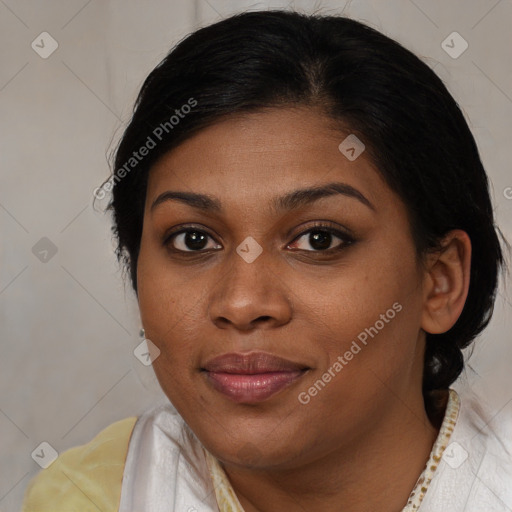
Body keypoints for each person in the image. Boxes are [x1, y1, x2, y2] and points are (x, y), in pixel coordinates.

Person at [22, 9, 510, 512]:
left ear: (440, 281)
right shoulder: (92, 497)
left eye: (319, 239)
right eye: (193, 240)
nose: (241, 302)